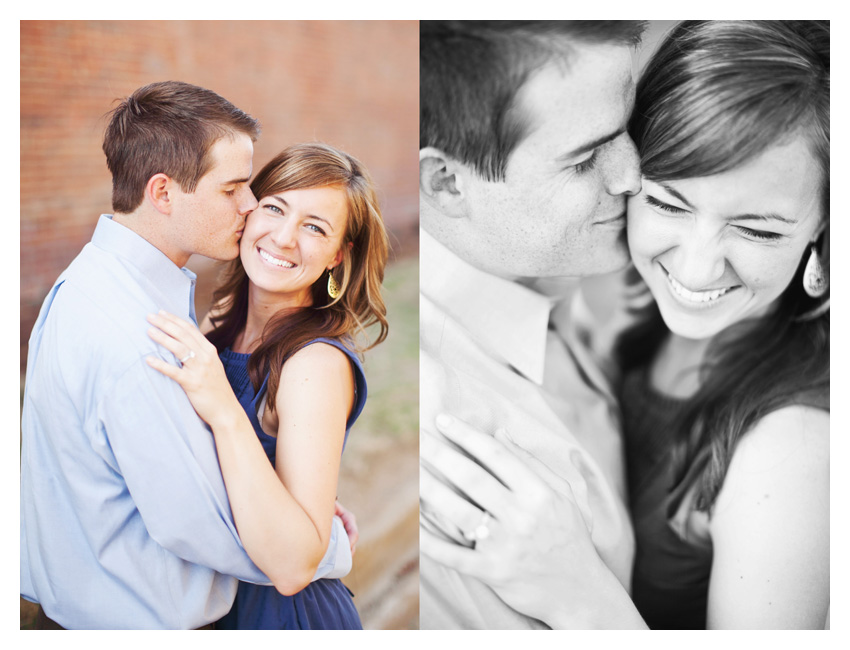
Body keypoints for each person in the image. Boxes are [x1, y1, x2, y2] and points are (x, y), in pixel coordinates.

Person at [421, 20, 830, 630]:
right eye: (667, 201)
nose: (694, 266)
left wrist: (582, 593)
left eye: (759, 229)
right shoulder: (616, 311)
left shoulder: (792, 451)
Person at [20, 81, 353, 629]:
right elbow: (206, 523)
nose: (251, 208)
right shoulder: (138, 340)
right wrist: (327, 543)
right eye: (233, 189)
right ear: (164, 192)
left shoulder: (86, 284)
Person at [418, 20, 645, 629]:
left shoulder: (557, 277)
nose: (632, 174)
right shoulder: (450, 442)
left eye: (629, 124)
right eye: (586, 158)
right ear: (446, 183)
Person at [145, 142, 389, 629]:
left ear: (339, 255)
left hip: (277, 618)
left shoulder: (313, 363)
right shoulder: (219, 322)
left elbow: (295, 566)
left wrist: (224, 408)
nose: (282, 237)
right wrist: (293, 489)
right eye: (275, 207)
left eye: (314, 227)